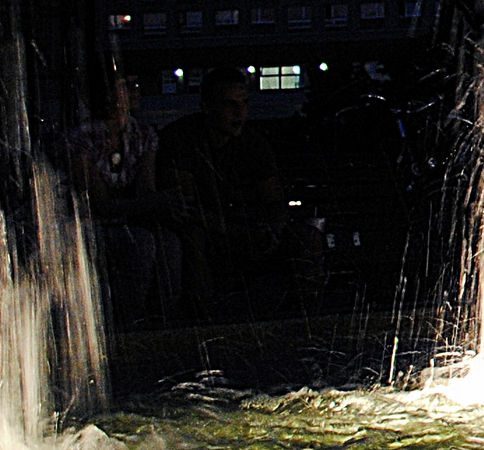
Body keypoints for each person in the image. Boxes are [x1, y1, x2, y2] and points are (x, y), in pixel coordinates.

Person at [157, 67, 322, 319]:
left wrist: (272, 229)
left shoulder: (252, 143)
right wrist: (236, 230)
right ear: (207, 107)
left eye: (244, 103)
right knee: (194, 242)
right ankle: (205, 324)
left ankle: (308, 319)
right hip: (212, 231)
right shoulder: (182, 140)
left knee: (306, 238)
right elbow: (187, 209)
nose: (239, 112)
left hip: (246, 228)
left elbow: (274, 199)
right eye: (229, 104)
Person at [65, 75, 180, 326]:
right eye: (125, 86)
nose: (134, 92)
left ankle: (164, 323)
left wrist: (155, 202)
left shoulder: (142, 135)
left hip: (127, 217)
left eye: (134, 85)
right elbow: (97, 203)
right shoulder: (81, 138)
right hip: (88, 224)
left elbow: (144, 189)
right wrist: (154, 202)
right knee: (139, 244)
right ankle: (127, 324)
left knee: (169, 243)